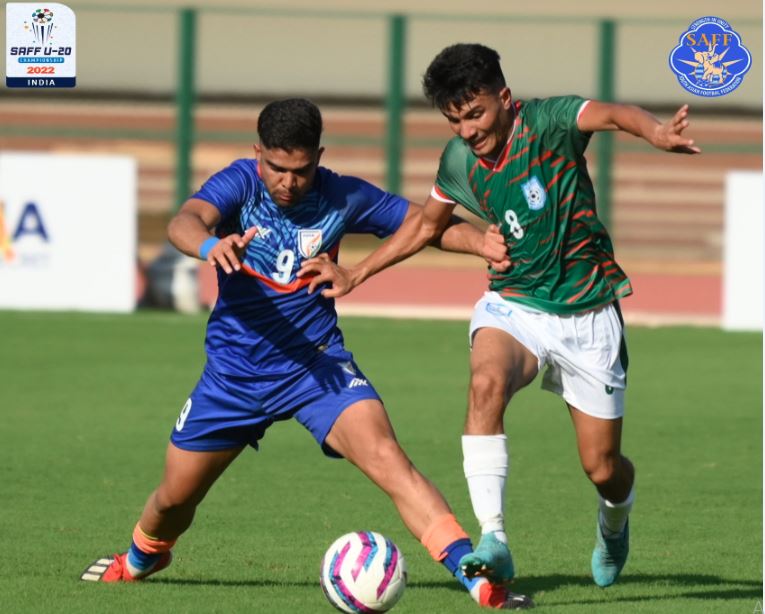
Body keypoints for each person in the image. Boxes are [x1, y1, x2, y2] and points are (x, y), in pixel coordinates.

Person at [80, 98, 533, 610]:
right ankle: (141, 559)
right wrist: (210, 246)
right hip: (233, 377)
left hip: (318, 369)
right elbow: (185, 220)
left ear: (318, 156)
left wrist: (481, 243)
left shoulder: (342, 195)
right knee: (173, 498)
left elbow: (424, 222)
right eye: (277, 167)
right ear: (258, 154)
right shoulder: (240, 184)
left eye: (300, 170)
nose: (288, 182)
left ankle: (478, 581)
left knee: (391, 461)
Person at [298, 43, 701, 589]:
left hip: (587, 312)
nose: (467, 131)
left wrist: (655, 132)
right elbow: (426, 225)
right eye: (455, 120)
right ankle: (495, 539)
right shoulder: (459, 160)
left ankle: (615, 520)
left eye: (475, 114)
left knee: (602, 466)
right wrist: (356, 273)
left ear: (505, 98)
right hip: (515, 303)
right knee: (485, 382)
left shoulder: (549, 123)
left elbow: (610, 114)